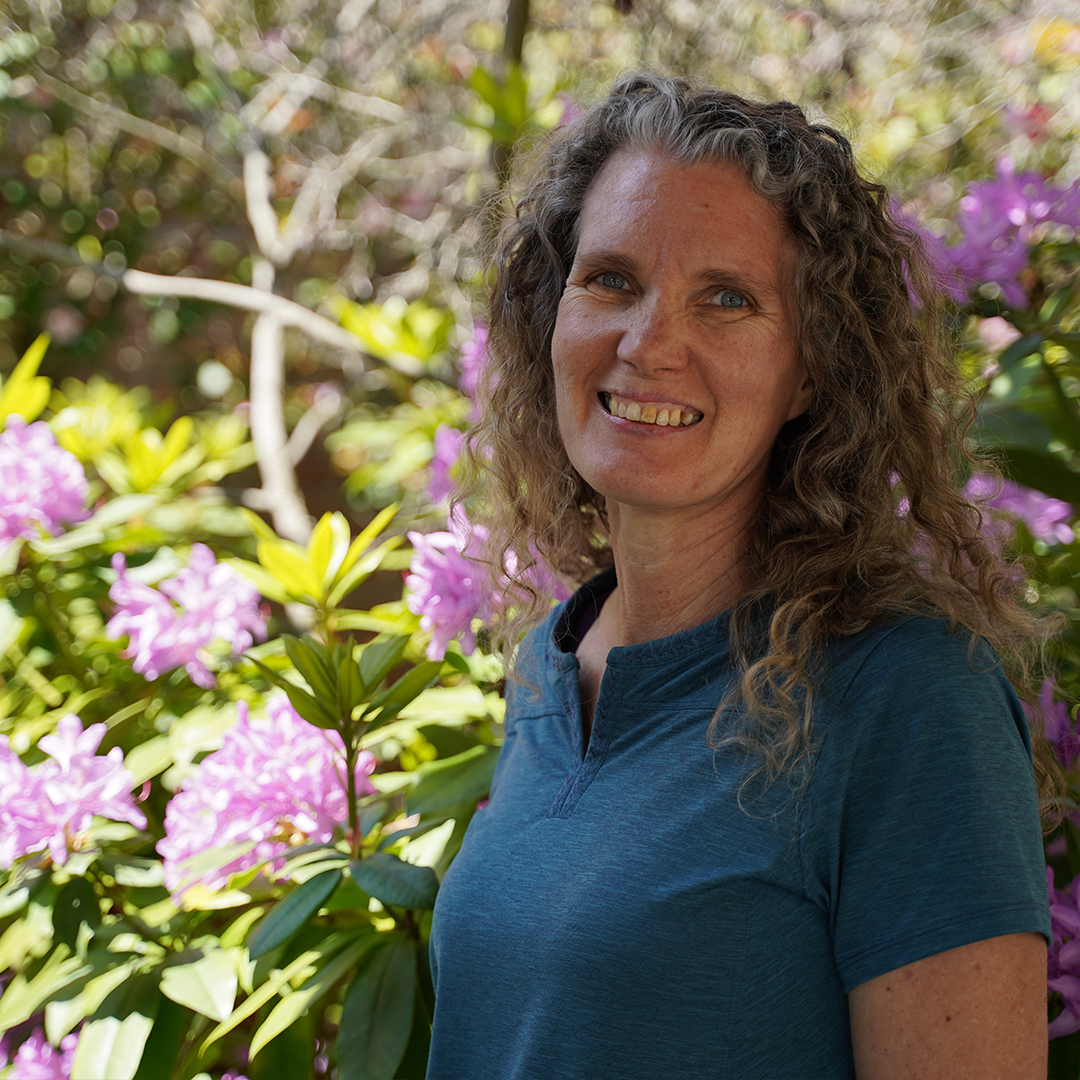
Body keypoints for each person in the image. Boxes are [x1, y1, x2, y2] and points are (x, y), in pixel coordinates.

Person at [426, 72, 1054, 1079]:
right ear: (553, 315)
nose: (649, 343)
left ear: (812, 369)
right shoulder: (553, 667)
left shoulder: (906, 700)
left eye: (726, 298)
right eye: (612, 280)